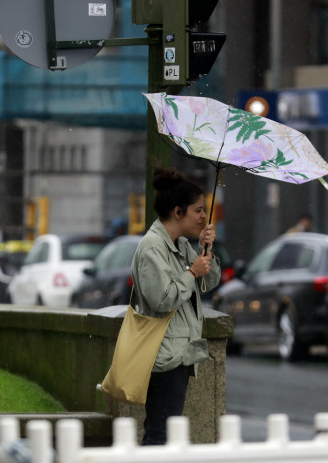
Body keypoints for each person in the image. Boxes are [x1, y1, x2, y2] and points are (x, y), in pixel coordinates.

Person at [131, 166, 221, 446]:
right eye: (198, 210)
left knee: (164, 434)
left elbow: (210, 281)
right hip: (164, 357)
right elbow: (161, 299)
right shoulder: (153, 248)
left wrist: (206, 250)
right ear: (178, 212)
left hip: (178, 353)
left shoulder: (181, 244)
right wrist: (191, 273)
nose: (203, 217)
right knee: (159, 434)